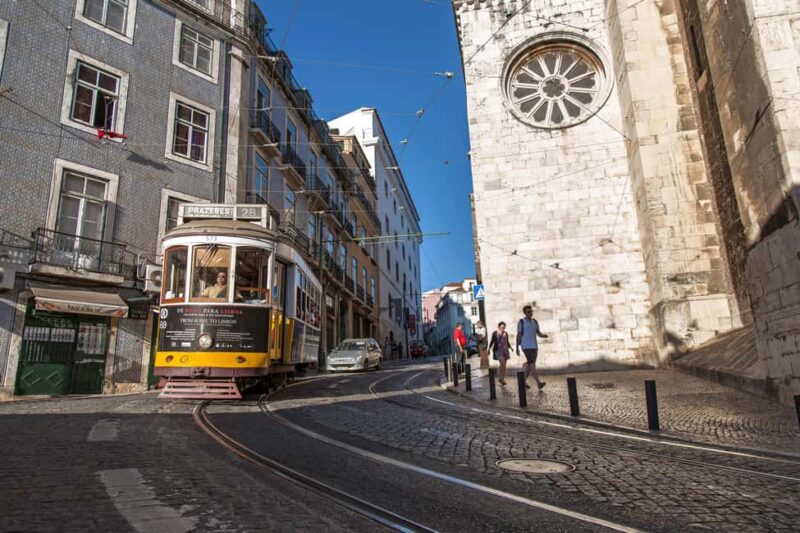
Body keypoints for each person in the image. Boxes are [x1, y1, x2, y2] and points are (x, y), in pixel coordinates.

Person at [515, 305, 548, 390]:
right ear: (525, 313)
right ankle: (539, 383)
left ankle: (522, 382)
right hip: (526, 346)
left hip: (534, 346)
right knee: (532, 364)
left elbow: (538, 333)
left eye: (531, 311)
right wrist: (517, 348)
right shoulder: (521, 322)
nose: (530, 313)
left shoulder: (534, 322)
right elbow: (518, 335)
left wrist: (543, 336)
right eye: (528, 312)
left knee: (530, 366)